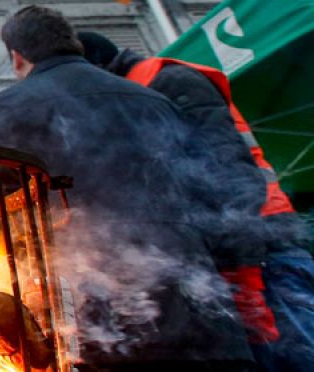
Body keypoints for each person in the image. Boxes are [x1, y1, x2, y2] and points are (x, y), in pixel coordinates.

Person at [0, 6, 254, 370]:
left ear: (17, 57)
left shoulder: (12, 107)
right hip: (201, 303)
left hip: (107, 307)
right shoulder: (152, 99)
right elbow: (209, 186)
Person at [79, 30, 314, 371]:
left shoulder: (169, 83)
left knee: (296, 355)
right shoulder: (144, 92)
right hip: (232, 251)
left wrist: (243, 266)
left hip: (264, 249)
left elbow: (231, 174)